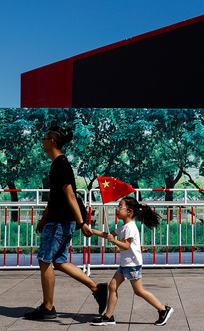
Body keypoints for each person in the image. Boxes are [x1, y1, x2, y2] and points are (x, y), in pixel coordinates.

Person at [23, 126, 109, 320]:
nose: (42, 142)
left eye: (45, 138)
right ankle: (97, 289)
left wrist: (82, 223)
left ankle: (48, 307)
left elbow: (70, 195)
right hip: (61, 221)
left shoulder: (60, 165)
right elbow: (56, 197)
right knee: (60, 262)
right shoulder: (59, 164)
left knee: (44, 260)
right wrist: (44, 218)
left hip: (59, 223)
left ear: (52, 141)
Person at [90, 196, 174, 326]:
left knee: (138, 291)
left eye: (120, 206)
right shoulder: (124, 226)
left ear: (129, 211)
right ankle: (108, 317)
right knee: (112, 286)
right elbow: (108, 235)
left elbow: (126, 246)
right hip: (126, 264)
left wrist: (114, 241)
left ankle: (163, 309)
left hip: (132, 264)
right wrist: (91, 231)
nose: (117, 209)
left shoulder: (130, 227)